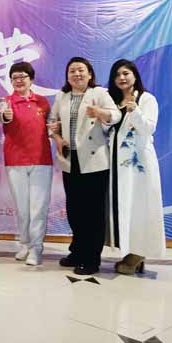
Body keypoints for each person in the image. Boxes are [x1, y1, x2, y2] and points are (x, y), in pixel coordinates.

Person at [48, 57, 120, 275]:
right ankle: (77, 251)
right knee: (75, 210)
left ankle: (91, 258)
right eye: (72, 71)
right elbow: (51, 122)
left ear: (90, 74)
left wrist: (100, 113)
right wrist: (57, 138)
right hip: (70, 160)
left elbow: (116, 115)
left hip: (94, 161)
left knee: (93, 212)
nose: (76, 74)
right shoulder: (62, 96)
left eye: (81, 70)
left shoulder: (99, 93)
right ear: (67, 76)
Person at [106, 59, 166, 274]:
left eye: (126, 73)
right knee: (126, 207)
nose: (121, 78)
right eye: (117, 75)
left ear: (135, 75)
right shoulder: (113, 101)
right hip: (118, 165)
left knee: (140, 206)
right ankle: (131, 251)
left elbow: (149, 129)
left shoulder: (146, 99)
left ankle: (139, 253)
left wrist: (136, 111)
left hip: (139, 164)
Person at [0, 62, 53, 266]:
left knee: (38, 208)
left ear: (31, 79)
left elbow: (51, 127)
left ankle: (36, 248)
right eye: (14, 77)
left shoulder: (43, 102)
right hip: (15, 161)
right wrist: (5, 116)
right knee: (22, 208)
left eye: (22, 76)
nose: (19, 80)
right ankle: (24, 243)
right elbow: (2, 116)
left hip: (41, 160)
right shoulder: (6, 102)